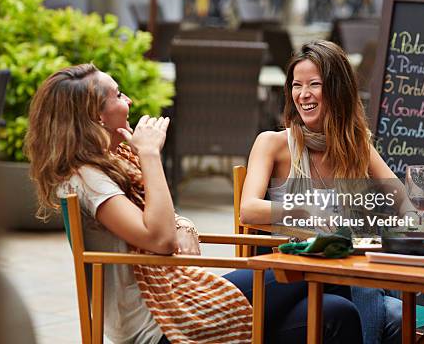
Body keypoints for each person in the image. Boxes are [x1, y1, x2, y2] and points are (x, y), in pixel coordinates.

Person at [25, 63, 364, 344]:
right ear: (95, 116)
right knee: (318, 260)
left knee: (335, 313)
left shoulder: (111, 162)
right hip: (160, 327)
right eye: (117, 95)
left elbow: (168, 222)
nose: (127, 100)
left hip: (182, 299)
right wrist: (149, 155)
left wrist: (183, 224)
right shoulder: (85, 177)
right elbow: (159, 237)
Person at [241, 41, 404, 344]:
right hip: (294, 278)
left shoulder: (357, 147)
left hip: (346, 271)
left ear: (337, 90)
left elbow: (402, 200)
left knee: (396, 311)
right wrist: (302, 210)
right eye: (297, 85)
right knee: (384, 308)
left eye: (314, 85)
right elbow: (248, 210)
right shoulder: (272, 144)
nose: (303, 95)